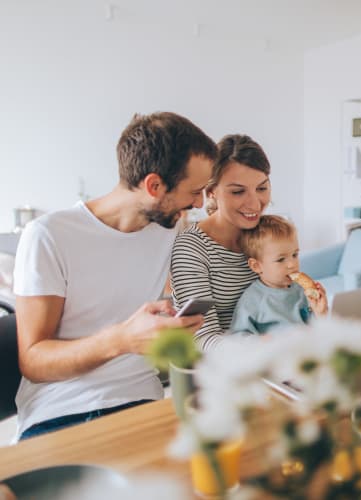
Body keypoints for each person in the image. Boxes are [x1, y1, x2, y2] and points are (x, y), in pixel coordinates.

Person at [13, 112, 217, 440]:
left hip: (143, 404)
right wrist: (121, 340)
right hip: (62, 411)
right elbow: (34, 361)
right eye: (194, 191)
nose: (199, 202)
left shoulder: (171, 229)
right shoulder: (49, 235)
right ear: (154, 186)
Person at [170, 134, 271, 351]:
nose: (255, 203)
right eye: (238, 191)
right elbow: (203, 339)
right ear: (211, 192)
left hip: (276, 363)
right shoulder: (191, 248)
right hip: (222, 370)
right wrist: (267, 346)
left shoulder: (269, 235)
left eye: (262, 188)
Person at [230, 215, 327, 335]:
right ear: (256, 266)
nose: (292, 264)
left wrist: (320, 313)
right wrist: (263, 342)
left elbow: (317, 329)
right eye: (281, 259)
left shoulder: (302, 290)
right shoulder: (252, 299)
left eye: (295, 255)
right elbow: (238, 337)